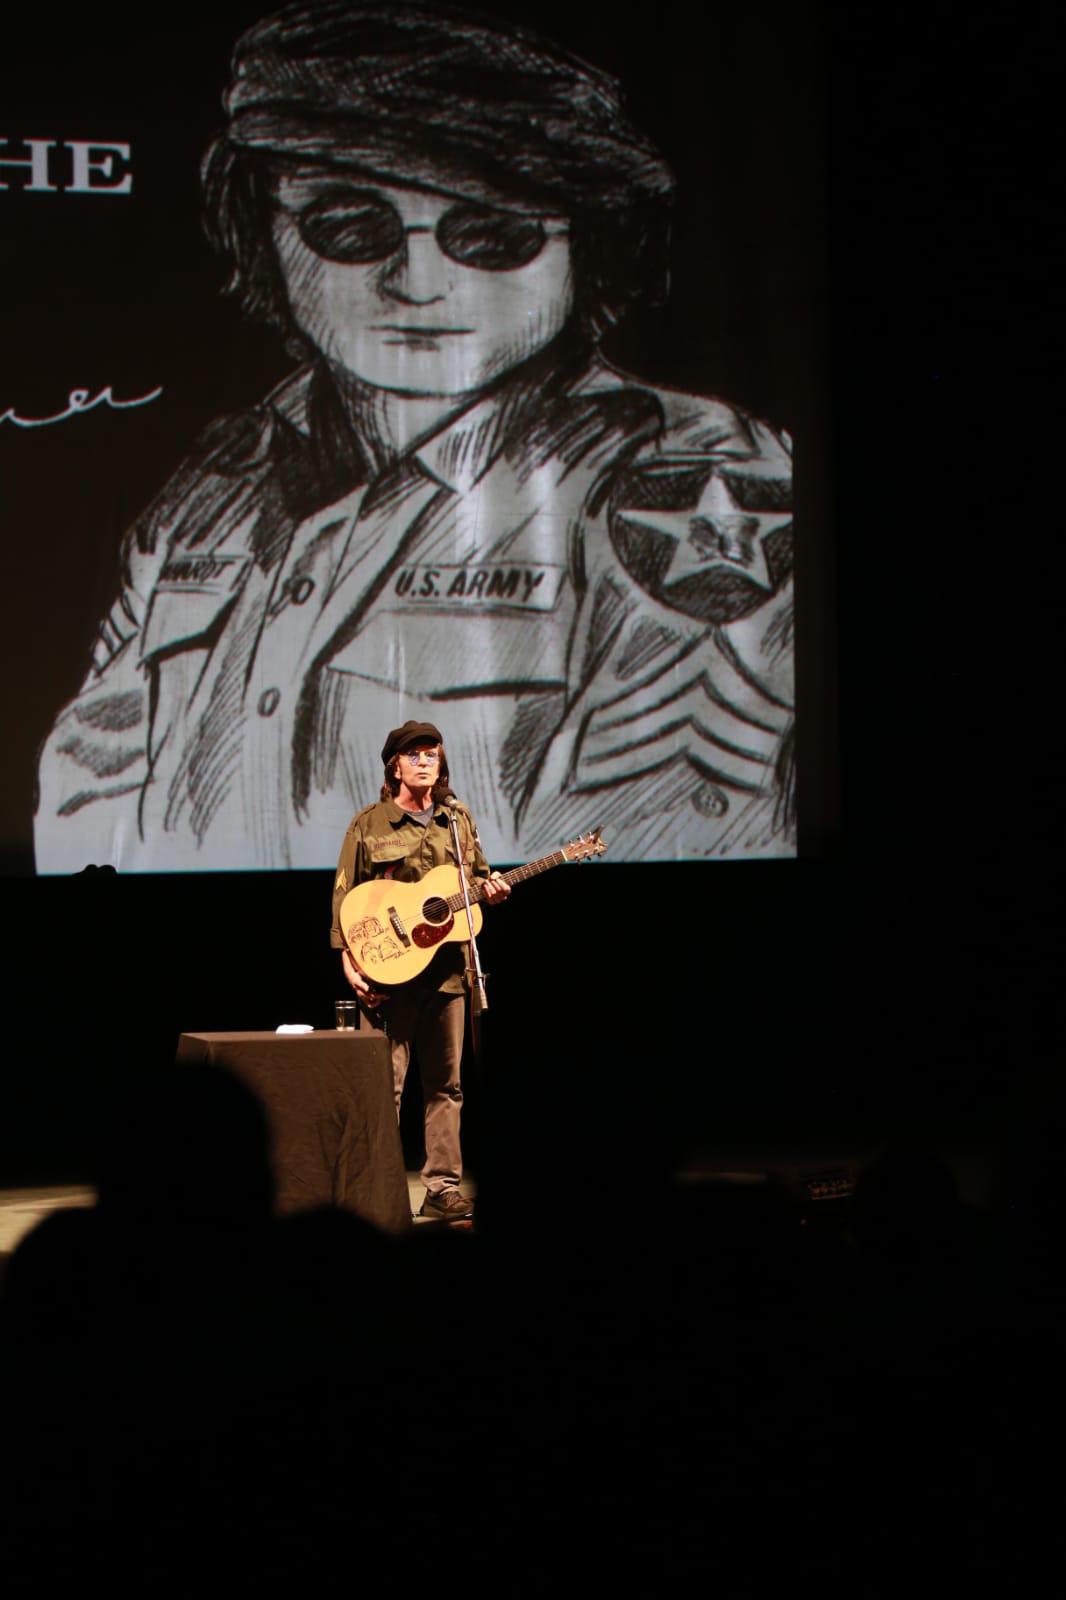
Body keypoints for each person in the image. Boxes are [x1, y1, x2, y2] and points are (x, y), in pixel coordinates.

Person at [34, 1, 795, 874]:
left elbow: (666, 833)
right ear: (264, 234)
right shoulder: (218, 482)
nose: (419, 282)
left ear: (589, 246)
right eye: (351, 226)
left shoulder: (693, 483)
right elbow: (87, 801)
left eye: (493, 235)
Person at [332, 719, 509, 1220]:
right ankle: (376, 1188)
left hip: (449, 975)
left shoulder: (456, 818)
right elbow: (346, 900)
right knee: (382, 1087)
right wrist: (350, 961)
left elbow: (474, 880)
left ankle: (441, 1188)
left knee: (446, 1087)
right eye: (415, 754)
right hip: (389, 977)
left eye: (433, 753)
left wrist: (490, 889)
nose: (426, 761)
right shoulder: (370, 823)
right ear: (395, 765)